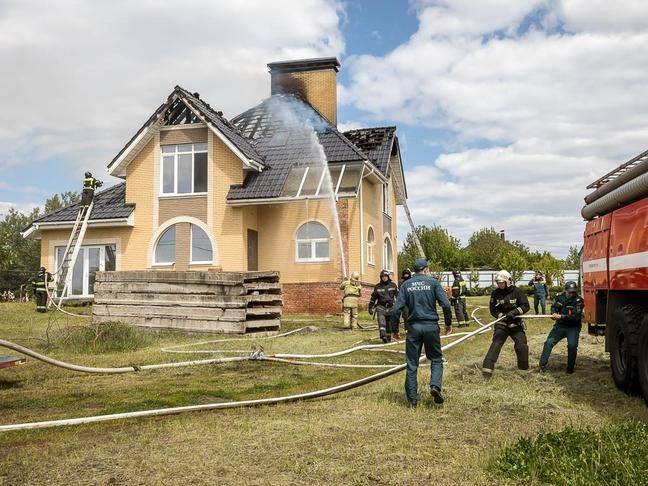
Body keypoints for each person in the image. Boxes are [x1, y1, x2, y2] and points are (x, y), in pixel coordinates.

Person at [394, 258, 453, 407]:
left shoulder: (406, 285)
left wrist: (394, 330)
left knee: (412, 364)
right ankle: (434, 386)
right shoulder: (433, 283)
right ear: (425, 269)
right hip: (431, 326)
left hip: (413, 327)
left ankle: (413, 401)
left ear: (414, 270)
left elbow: (396, 309)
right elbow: (446, 304)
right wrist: (448, 323)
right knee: (436, 359)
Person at [482, 270, 530, 379]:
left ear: (508, 281)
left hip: (515, 323)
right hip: (502, 323)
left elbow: (526, 306)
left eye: (502, 283)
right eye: (498, 283)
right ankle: (486, 371)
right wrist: (501, 315)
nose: (500, 285)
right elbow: (492, 310)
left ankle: (523, 370)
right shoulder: (495, 293)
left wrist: (515, 312)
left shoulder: (517, 292)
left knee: (521, 345)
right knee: (496, 343)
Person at [539, 281, 584, 374]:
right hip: (560, 326)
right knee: (548, 343)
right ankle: (542, 366)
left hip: (573, 327)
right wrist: (553, 313)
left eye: (573, 292)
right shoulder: (560, 297)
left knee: (572, 346)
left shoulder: (578, 301)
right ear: (565, 290)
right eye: (569, 292)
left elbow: (576, 317)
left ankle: (570, 369)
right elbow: (554, 307)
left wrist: (561, 316)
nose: (571, 294)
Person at [368, 270, 399, 343]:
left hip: (391, 307)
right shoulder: (377, 286)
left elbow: (399, 296)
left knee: (389, 323)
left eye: (385, 276)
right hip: (381, 307)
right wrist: (370, 307)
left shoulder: (393, 285)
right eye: (383, 277)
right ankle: (383, 335)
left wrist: (399, 306)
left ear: (388, 277)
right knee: (381, 321)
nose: (384, 278)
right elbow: (373, 298)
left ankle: (388, 338)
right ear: (381, 277)